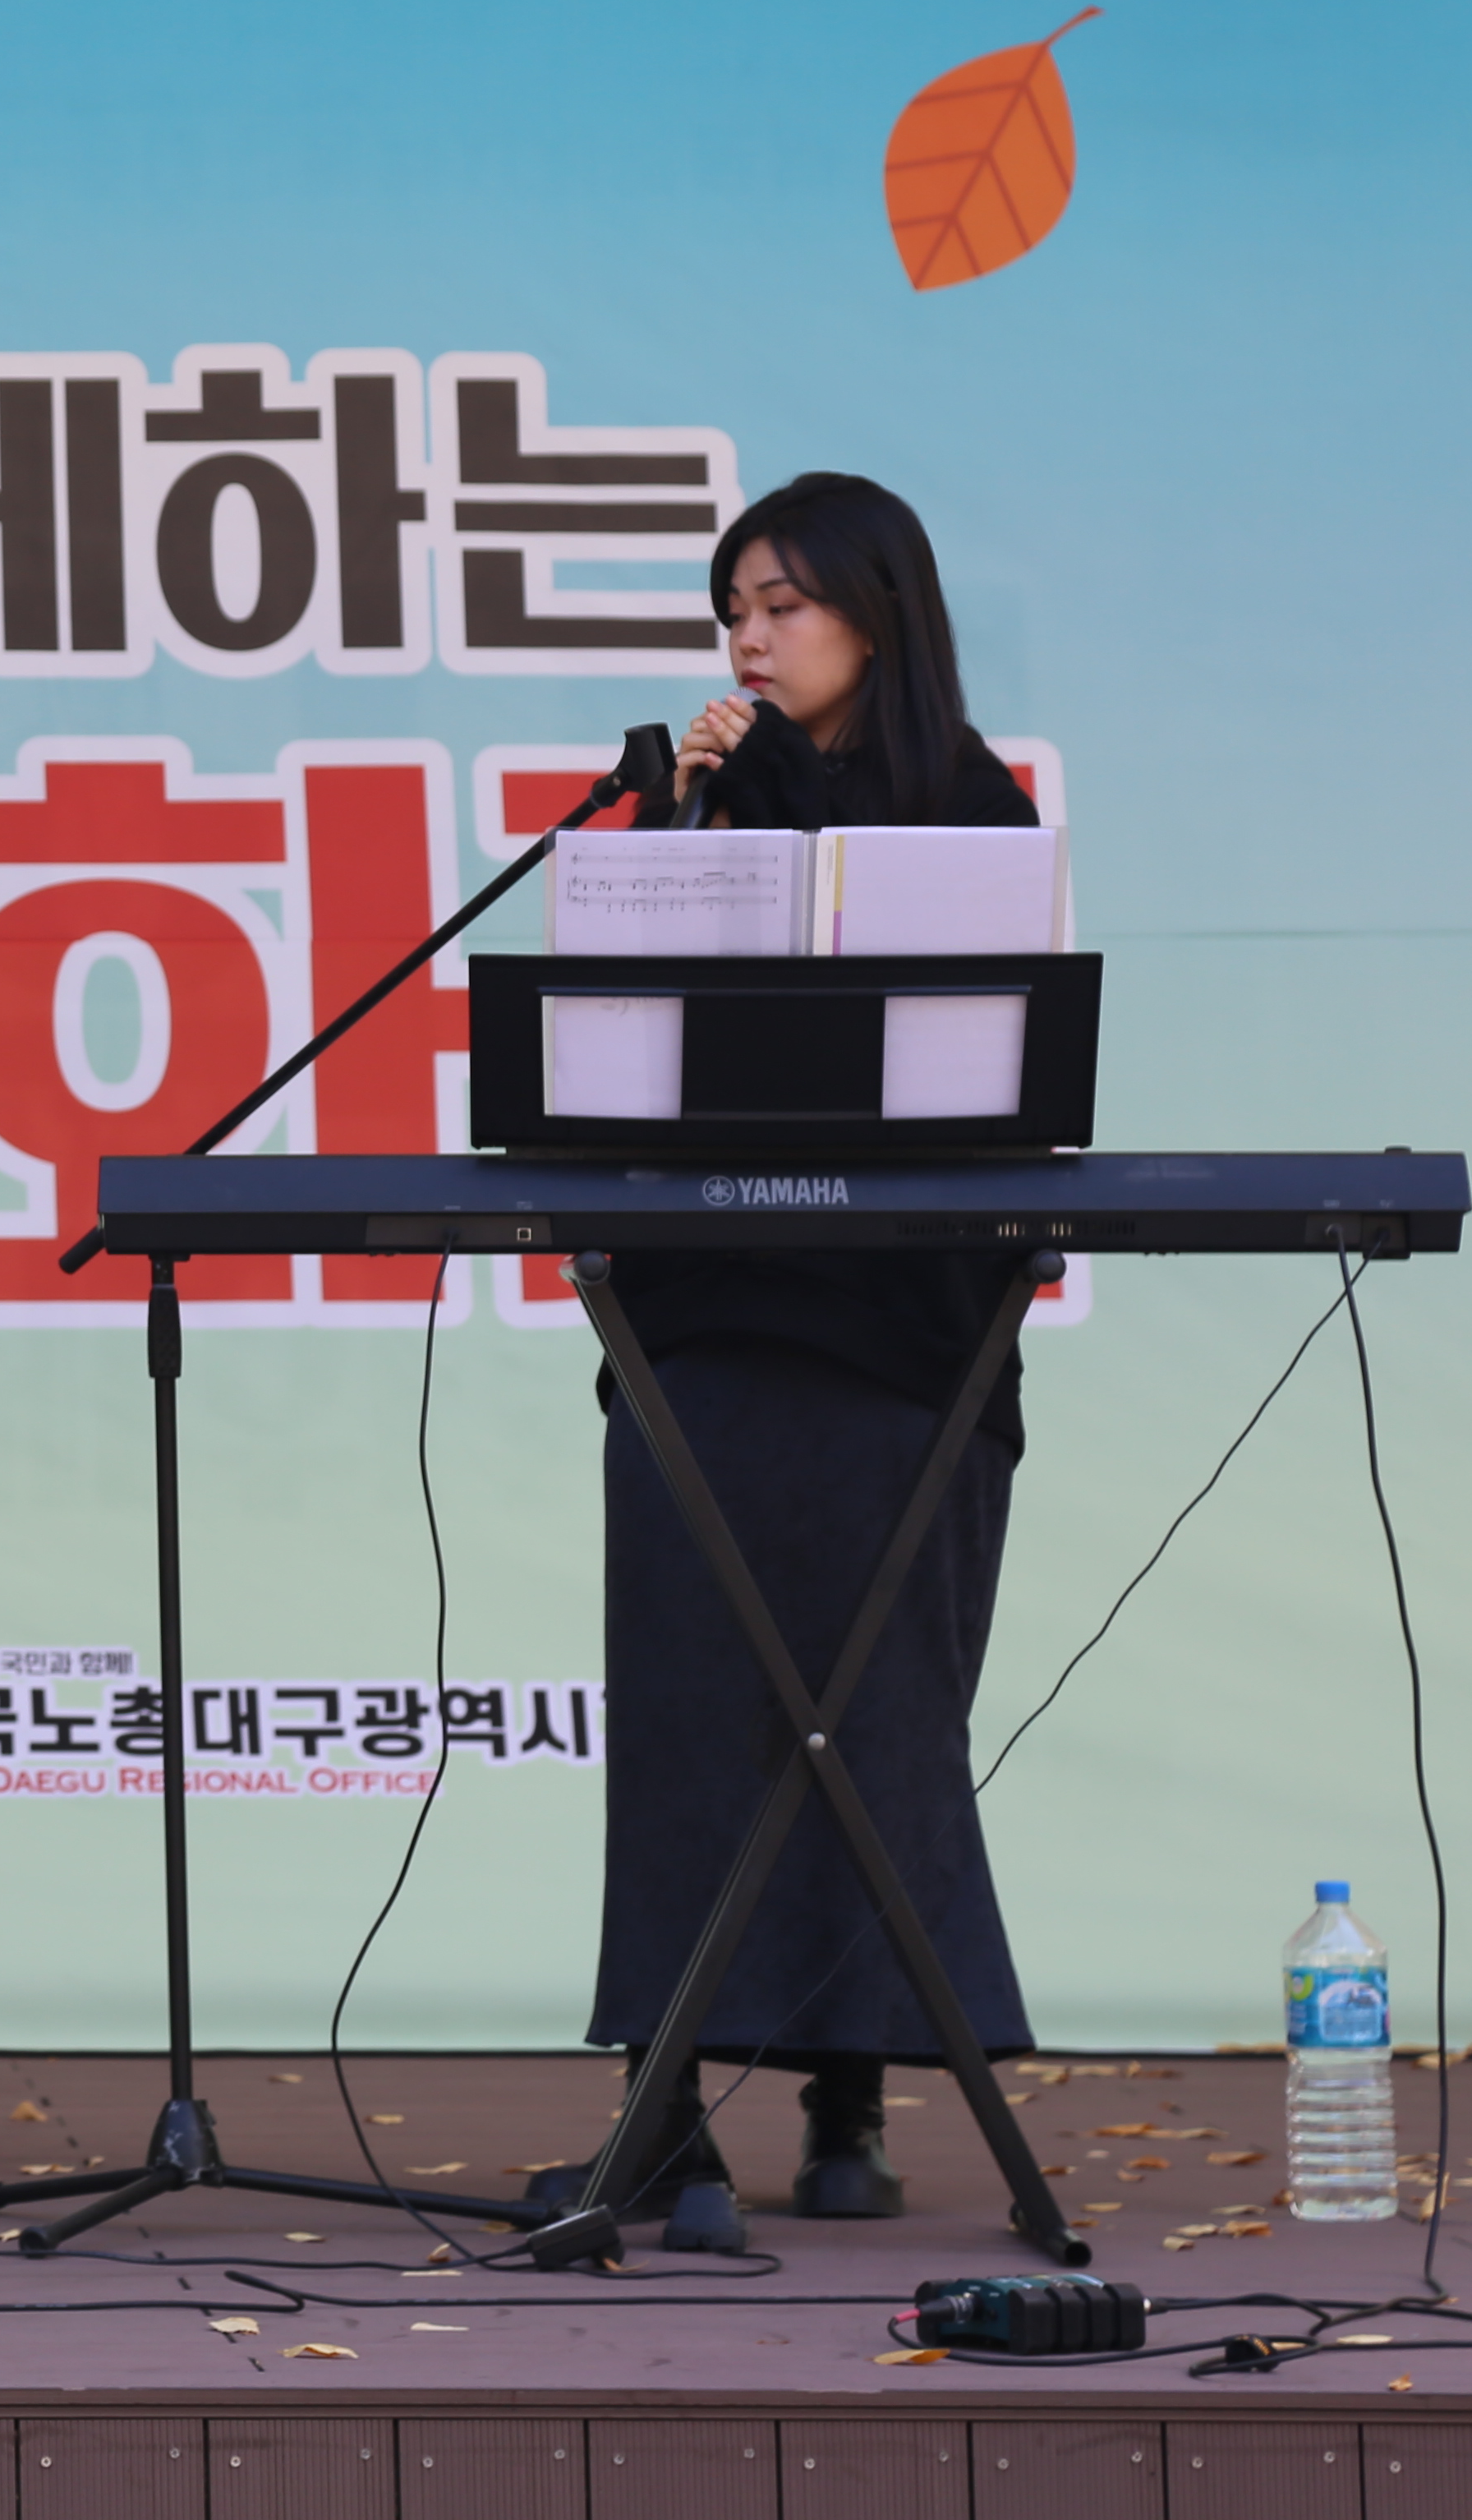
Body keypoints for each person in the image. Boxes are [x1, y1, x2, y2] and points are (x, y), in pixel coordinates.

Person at [554, 472, 1044, 2223]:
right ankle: (666, 2110)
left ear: (878, 616)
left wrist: (766, 791)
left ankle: (852, 2109)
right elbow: (626, 1042)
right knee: (689, 1714)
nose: (748, 640)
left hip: (906, 1338)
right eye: (732, 611)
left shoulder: (979, 812)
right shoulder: (704, 801)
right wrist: (686, 816)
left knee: (875, 1715)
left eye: (782, 605)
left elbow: (980, 1062)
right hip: (712, 1319)